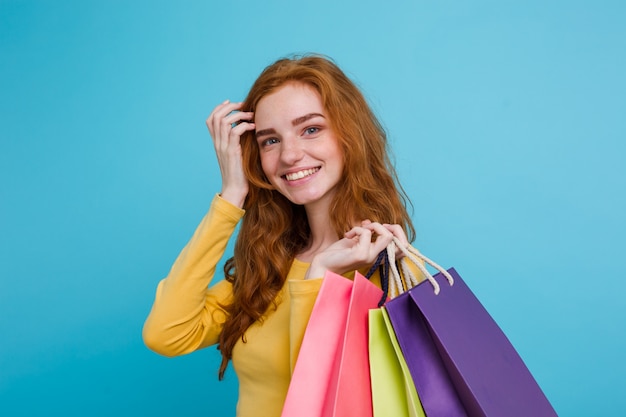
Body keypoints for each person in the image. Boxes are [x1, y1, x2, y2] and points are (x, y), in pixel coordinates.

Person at [142, 54, 418, 417]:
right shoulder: (268, 269)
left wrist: (320, 274)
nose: (289, 155)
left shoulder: (387, 269)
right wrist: (231, 196)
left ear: (350, 135)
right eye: (270, 140)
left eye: (311, 129)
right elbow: (167, 333)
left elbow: (320, 396)